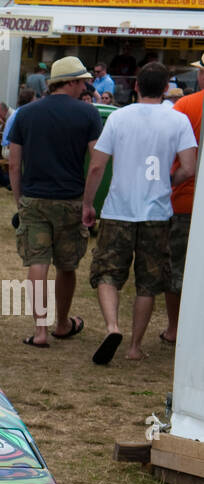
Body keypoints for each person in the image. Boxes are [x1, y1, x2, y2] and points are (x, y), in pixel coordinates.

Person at [82, 62, 197, 363]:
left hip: (119, 209)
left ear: (135, 86)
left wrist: (88, 203)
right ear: (165, 89)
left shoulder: (118, 118)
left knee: (107, 272)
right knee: (148, 282)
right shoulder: (178, 120)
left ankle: (111, 326)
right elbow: (189, 167)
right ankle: (134, 347)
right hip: (156, 213)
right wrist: (167, 182)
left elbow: (97, 166)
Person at [10, 56, 103, 349]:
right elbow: (96, 162)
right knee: (66, 265)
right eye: (83, 82)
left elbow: (14, 164)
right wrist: (88, 200)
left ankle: (40, 331)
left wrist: (19, 199)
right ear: (72, 82)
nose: (85, 86)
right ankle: (62, 324)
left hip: (34, 198)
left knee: (37, 262)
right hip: (70, 198)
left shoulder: (25, 113)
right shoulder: (88, 115)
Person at [164, 56, 203, 347]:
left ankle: (175, 329)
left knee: (177, 268)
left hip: (185, 202)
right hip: (187, 201)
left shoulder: (185, 106)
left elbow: (168, 152)